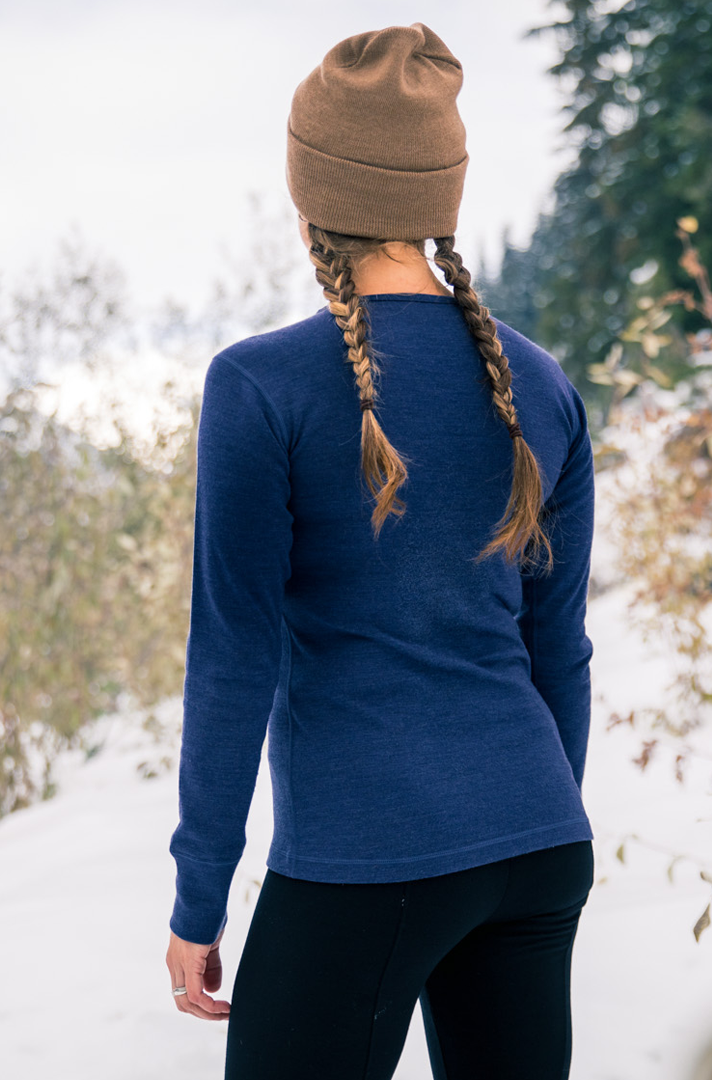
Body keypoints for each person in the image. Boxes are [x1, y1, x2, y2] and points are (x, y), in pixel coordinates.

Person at [163, 22, 596, 1079]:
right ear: (439, 195)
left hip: (367, 854)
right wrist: (527, 812)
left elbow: (233, 659)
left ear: (311, 197)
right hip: (538, 845)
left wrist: (199, 894)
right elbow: (560, 648)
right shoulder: (539, 385)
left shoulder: (261, 386)